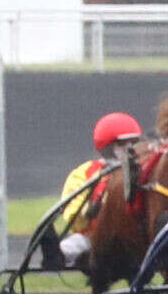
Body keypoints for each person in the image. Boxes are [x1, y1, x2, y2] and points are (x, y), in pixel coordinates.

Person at [41, 112, 143, 270]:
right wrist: (88, 212)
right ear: (108, 146)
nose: (130, 150)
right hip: (95, 238)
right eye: (123, 144)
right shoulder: (85, 173)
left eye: (133, 144)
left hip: (135, 239)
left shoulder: (143, 171)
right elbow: (72, 211)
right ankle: (55, 254)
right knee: (72, 245)